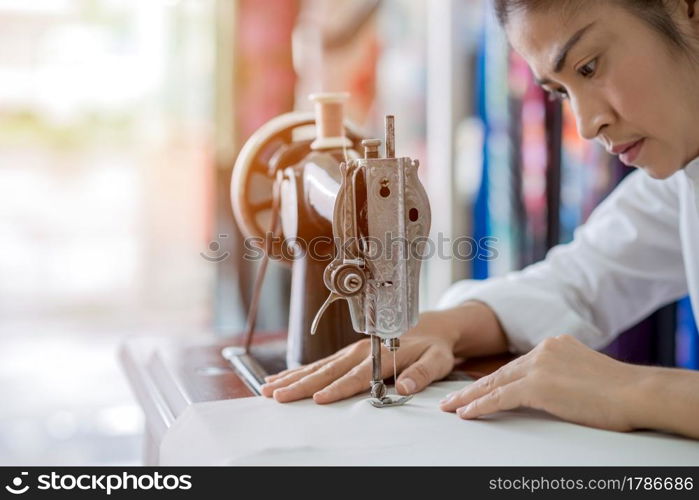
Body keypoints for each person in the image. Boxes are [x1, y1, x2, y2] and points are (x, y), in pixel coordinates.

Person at [261, 0, 699, 439]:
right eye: (560, 92)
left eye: (588, 67)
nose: (585, 125)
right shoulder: (681, 182)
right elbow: (582, 280)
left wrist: (633, 388)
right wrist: (449, 325)